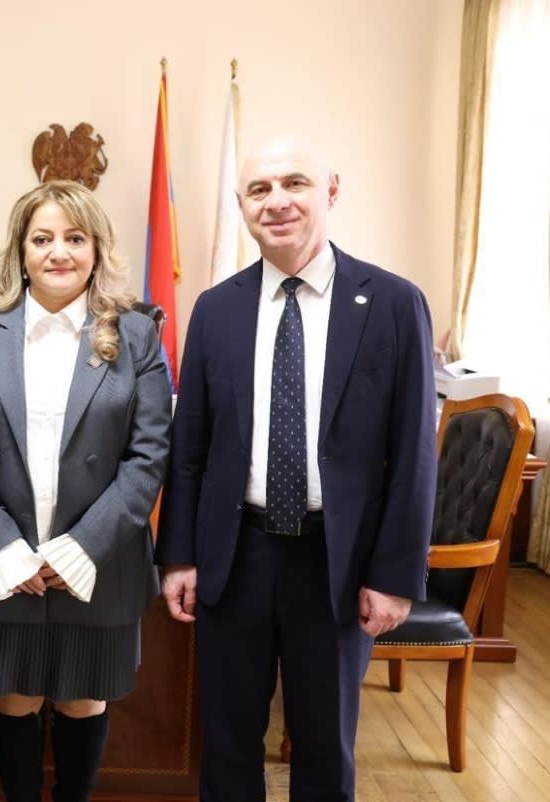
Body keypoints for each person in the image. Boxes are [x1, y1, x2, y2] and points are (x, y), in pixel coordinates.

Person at [156, 137, 437, 801]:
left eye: (295, 183)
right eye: (259, 190)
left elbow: (414, 455)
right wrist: (177, 558)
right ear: (243, 206)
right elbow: (190, 444)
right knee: (226, 747)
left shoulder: (394, 304)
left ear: (330, 191)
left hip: (336, 564)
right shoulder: (216, 309)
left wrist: (395, 575)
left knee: (323, 747)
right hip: (235, 557)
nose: (277, 201)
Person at [0, 180, 172, 802]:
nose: (58, 252)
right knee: (12, 699)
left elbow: (148, 456)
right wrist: (6, 548)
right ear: (20, 250)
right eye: (42, 239)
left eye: (74, 238)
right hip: (5, 561)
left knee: (81, 699)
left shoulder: (137, 335)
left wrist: (79, 549)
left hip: (96, 561)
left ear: (97, 248)